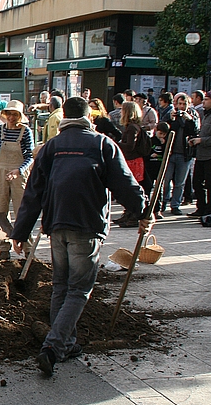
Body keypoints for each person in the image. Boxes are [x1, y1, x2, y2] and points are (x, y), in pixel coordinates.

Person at [10, 97, 149, 377]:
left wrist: (20, 232)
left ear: (63, 118)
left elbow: (33, 192)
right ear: (90, 118)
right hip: (87, 225)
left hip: (56, 225)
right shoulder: (102, 144)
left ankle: (67, 342)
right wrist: (144, 210)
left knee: (61, 285)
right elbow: (124, 182)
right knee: (79, 289)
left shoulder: (50, 147)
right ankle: (53, 345)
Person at [0, 100, 34, 259]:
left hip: (19, 173)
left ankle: (27, 247)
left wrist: (18, 170)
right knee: (1, 210)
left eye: (15, 114)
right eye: (9, 114)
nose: (11, 118)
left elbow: (30, 157)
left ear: (20, 116)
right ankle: (4, 247)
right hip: (1, 171)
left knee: (22, 210)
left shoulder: (26, 132)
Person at [164, 95, 199, 215]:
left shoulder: (192, 117)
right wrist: (171, 118)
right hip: (170, 153)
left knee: (179, 182)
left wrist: (189, 120)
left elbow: (195, 132)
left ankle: (175, 205)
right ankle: (163, 203)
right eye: (179, 104)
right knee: (166, 180)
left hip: (184, 154)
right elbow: (163, 127)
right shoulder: (172, 114)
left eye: (184, 104)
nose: (181, 107)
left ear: (189, 105)